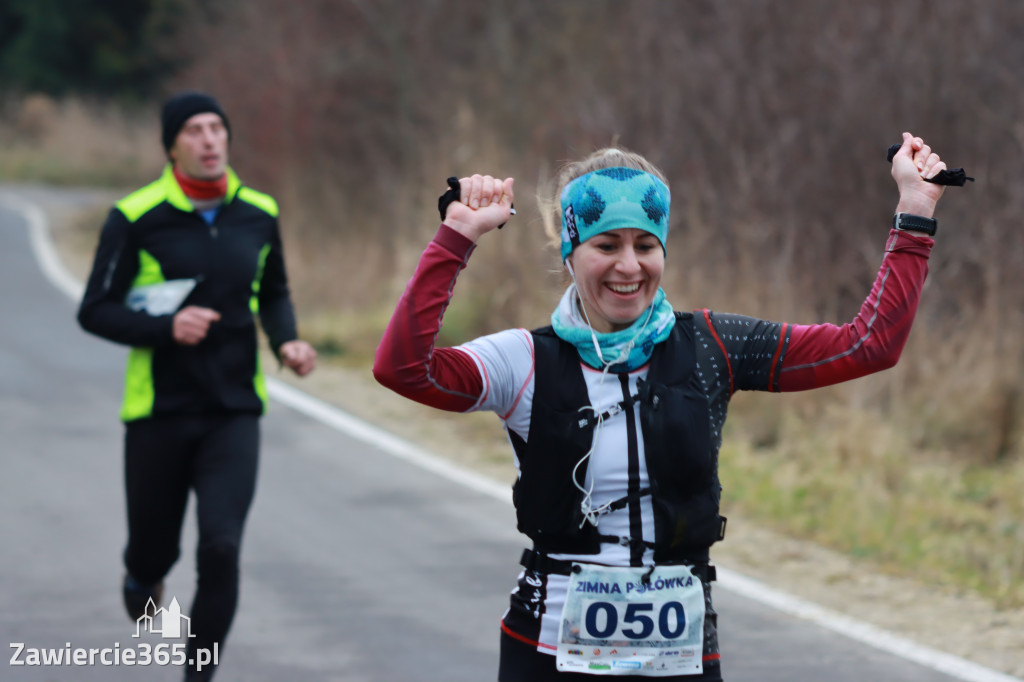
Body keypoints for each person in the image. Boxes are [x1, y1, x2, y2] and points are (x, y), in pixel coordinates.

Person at [372, 132, 949, 681]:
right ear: (571, 252)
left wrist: (916, 211)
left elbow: (868, 343)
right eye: (606, 245)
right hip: (547, 653)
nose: (629, 267)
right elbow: (402, 369)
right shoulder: (522, 360)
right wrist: (456, 239)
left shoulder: (711, 347)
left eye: (646, 245)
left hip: (681, 657)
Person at [77, 90, 316, 681]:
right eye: (195, 130)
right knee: (155, 553)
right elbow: (95, 309)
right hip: (158, 412)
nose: (210, 139)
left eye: (217, 128)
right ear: (172, 146)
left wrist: (286, 340)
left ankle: (197, 675)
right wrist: (166, 327)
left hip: (234, 409)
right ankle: (140, 577)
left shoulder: (259, 211)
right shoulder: (134, 216)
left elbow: (275, 290)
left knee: (221, 549)